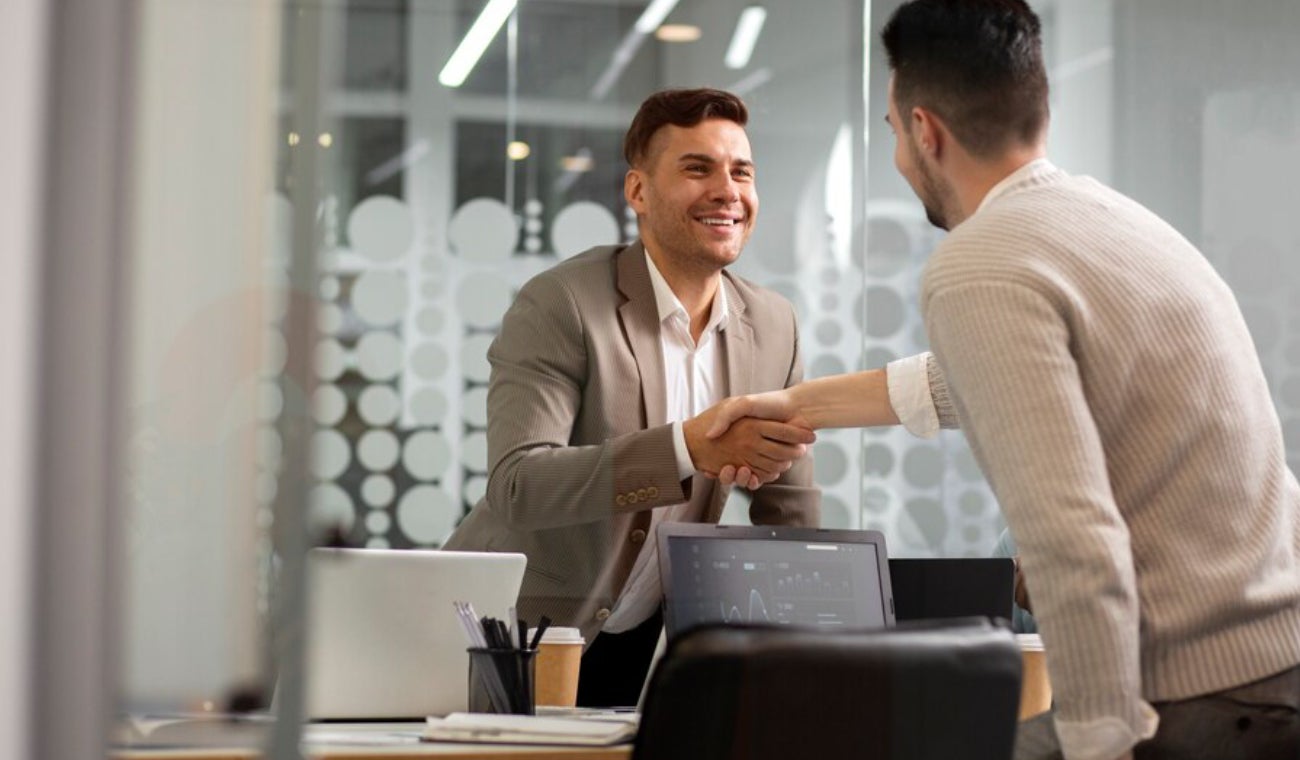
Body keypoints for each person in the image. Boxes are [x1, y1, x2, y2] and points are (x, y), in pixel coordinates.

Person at [706, 1, 1300, 758]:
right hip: (1276, 667)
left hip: (1193, 701)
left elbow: (1070, 534)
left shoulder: (981, 262)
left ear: (925, 131)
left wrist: (1098, 742)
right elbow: (991, 381)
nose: (899, 157)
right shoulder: (1115, 223)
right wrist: (798, 405)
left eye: (893, 133)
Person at [445, 88, 932, 707]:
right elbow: (519, 483)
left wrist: (820, 659)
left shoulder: (772, 323)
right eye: (698, 169)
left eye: (742, 172)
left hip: (636, 637)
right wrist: (686, 448)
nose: (727, 190)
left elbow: (788, 508)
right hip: (510, 633)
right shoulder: (564, 303)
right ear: (638, 191)